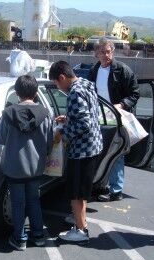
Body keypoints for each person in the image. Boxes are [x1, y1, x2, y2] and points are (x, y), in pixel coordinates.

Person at [0, 75, 53, 251]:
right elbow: (49, 143)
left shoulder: (8, 114)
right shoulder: (45, 114)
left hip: (14, 167)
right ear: (36, 92)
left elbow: (0, 138)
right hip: (36, 167)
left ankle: (20, 238)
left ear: (17, 93)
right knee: (34, 200)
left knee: (17, 203)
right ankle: (38, 235)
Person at [49, 60, 103, 243]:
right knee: (82, 191)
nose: (58, 87)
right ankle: (80, 221)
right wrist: (69, 117)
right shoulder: (87, 85)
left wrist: (62, 131)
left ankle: (81, 231)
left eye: (57, 83)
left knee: (75, 192)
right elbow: (88, 113)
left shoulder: (74, 92)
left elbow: (83, 124)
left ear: (62, 77)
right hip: (93, 146)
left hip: (81, 150)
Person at [88, 38, 140, 202]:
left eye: (108, 51)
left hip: (117, 118)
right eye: (102, 52)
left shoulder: (123, 70)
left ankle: (116, 190)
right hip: (99, 118)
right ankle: (101, 185)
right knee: (100, 152)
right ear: (96, 54)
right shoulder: (94, 70)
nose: (105, 55)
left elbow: (135, 93)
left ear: (113, 51)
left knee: (116, 154)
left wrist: (122, 104)